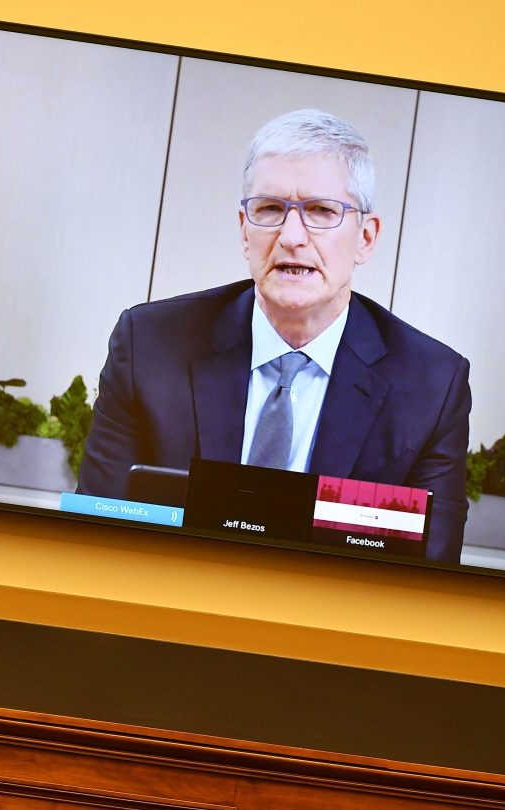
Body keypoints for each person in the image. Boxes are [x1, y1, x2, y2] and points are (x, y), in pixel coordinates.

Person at [76, 108, 471, 563]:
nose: (291, 237)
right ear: (244, 230)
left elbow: (427, 572)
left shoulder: (430, 386)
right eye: (270, 209)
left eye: (321, 211)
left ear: (366, 237)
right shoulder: (150, 345)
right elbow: (96, 539)